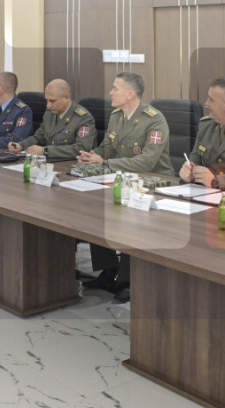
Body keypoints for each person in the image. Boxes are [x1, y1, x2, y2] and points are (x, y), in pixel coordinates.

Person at [78, 71, 174, 303]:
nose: (111, 92)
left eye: (115, 88)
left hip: (154, 184)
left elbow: (147, 162)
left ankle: (131, 280)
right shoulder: (116, 116)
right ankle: (108, 268)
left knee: (133, 219)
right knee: (95, 209)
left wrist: (106, 163)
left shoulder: (154, 119)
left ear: (130, 94)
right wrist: (91, 155)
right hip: (123, 179)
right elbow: (106, 148)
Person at [8, 79, 96, 160]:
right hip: (50, 162)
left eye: (52, 101)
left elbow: (81, 149)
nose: (48, 105)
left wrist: (46, 150)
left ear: (66, 97)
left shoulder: (83, 118)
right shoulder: (49, 113)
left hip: (71, 164)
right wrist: (20, 145)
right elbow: (39, 137)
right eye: (47, 100)